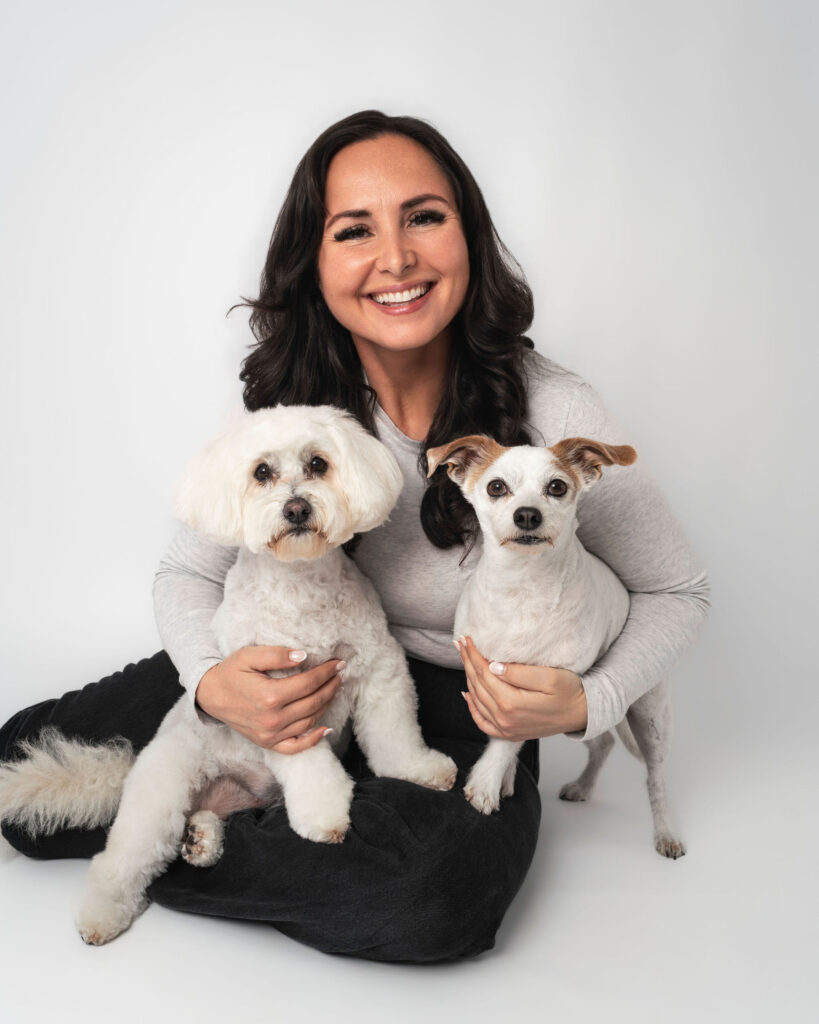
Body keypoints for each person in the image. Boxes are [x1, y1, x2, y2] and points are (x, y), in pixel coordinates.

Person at [0, 110, 710, 962]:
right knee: (16, 785)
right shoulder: (286, 400)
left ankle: (163, 848)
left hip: (463, 702)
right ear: (315, 259)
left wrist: (591, 700)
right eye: (354, 230)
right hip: (276, 661)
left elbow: (677, 589)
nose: (396, 258)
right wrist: (212, 682)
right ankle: (186, 828)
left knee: (432, 901)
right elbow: (187, 574)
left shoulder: (552, 407)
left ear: (468, 236)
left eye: (423, 217)